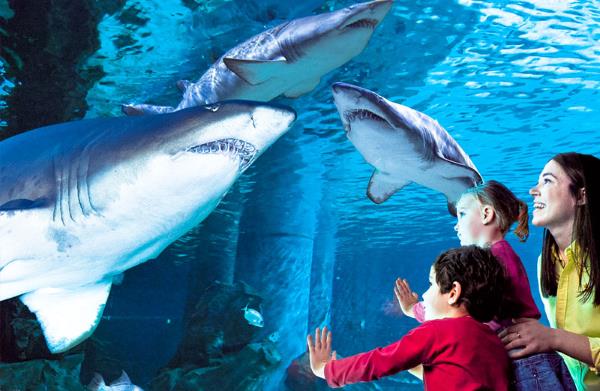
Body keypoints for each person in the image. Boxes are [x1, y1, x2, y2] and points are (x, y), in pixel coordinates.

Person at [397, 180, 576, 390]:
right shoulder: (501, 254)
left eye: (462, 214)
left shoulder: (492, 259)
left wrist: (414, 310)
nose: (456, 224)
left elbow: (462, 307)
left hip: (523, 359)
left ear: (486, 214)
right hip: (528, 357)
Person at [307, 246, 511, 390]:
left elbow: (379, 362)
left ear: (453, 293)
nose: (424, 294)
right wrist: (412, 309)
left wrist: (327, 370)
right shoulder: (492, 340)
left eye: (431, 284)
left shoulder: (437, 332)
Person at [499, 153, 600, 390]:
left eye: (547, 181)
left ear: (582, 195)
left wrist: (553, 338)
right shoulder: (545, 262)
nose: (534, 190)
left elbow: (556, 339)